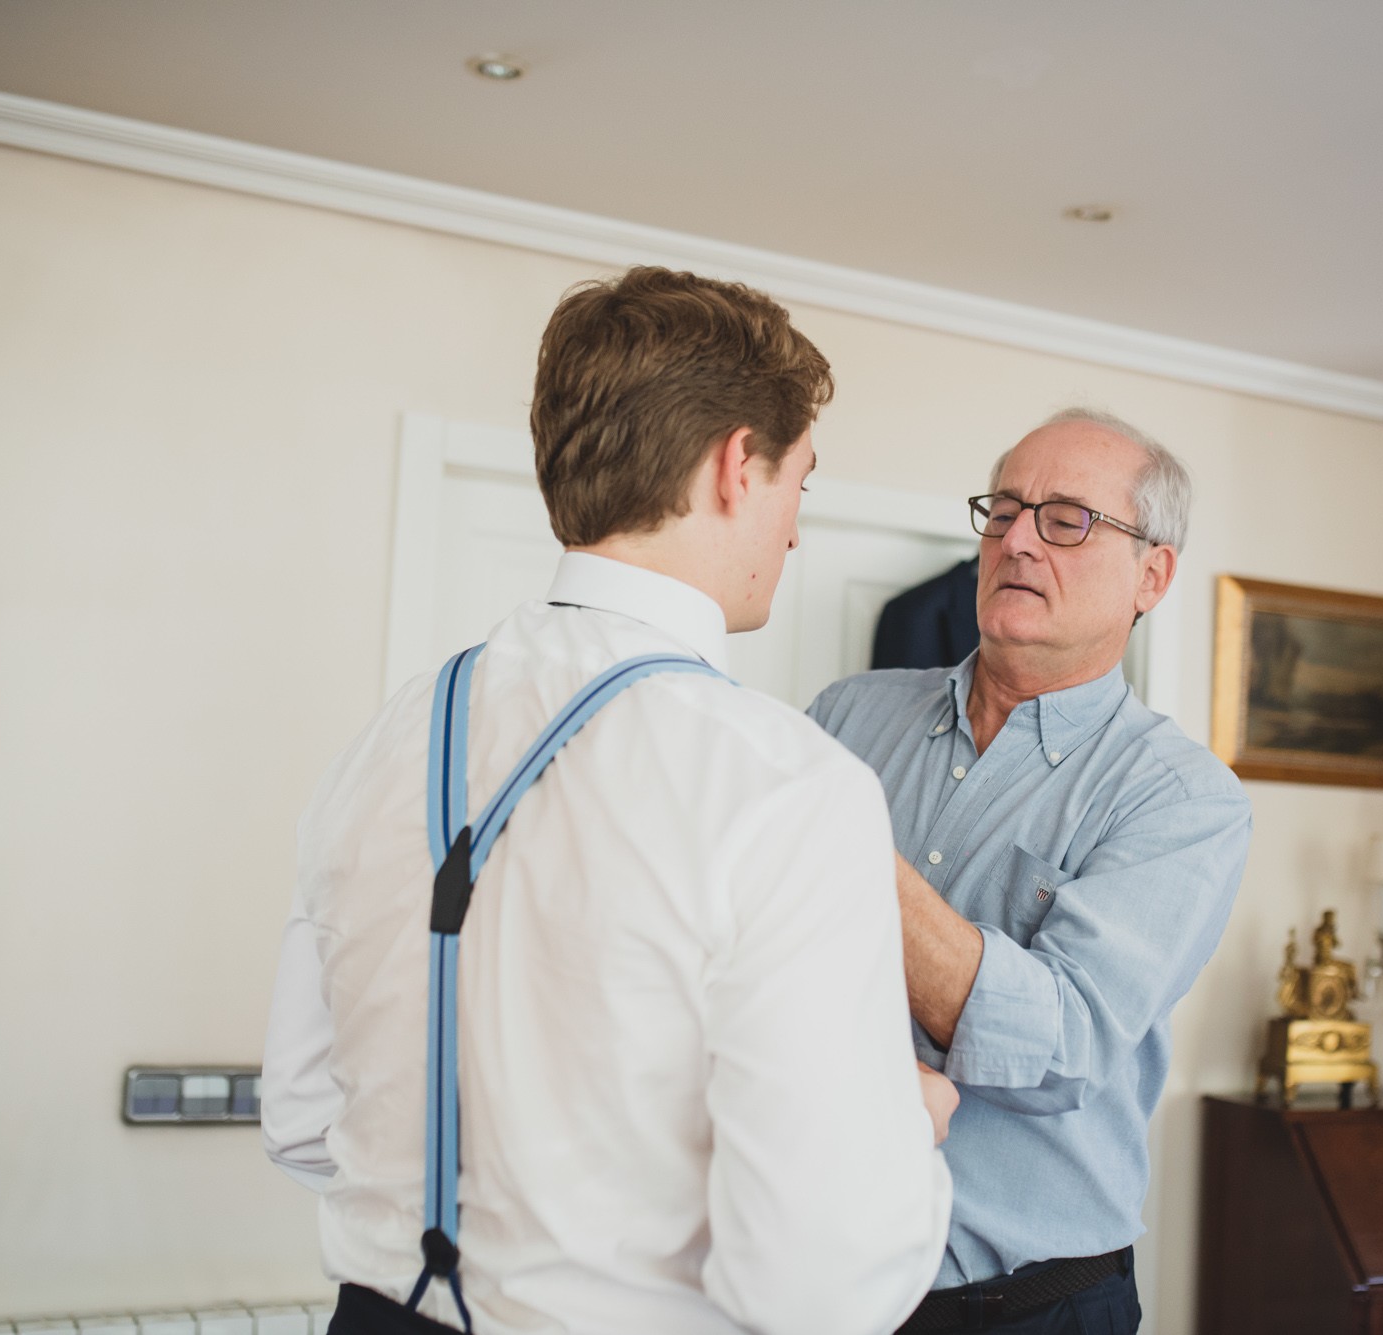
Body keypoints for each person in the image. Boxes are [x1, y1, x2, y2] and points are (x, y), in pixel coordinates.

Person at [263, 266, 954, 1335]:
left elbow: (306, 1120)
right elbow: (818, 1284)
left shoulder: (390, 735)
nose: (794, 532)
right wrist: (904, 1126)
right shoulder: (784, 782)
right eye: (797, 485)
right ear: (737, 465)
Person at [807, 408, 1253, 1334]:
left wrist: (843, 846)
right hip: (813, 1275)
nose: (1015, 539)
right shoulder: (846, 717)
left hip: (1026, 1308)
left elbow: (1062, 1041)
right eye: (1004, 508)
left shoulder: (1182, 799)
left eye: (1066, 518)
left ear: (1152, 574)